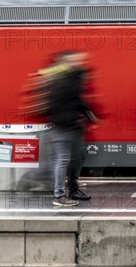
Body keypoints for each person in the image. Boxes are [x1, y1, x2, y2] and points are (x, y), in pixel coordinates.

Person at [37, 50, 98, 207]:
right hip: (62, 125)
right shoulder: (59, 79)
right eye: (74, 60)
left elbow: (77, 99)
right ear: (64, 62)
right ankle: (59, 195)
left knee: (77, 156)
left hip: (72, 125)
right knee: (63, 159)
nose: (78, 62)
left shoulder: (71, 78)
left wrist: (89, 114)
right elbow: (66, 101)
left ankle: (73, 188)